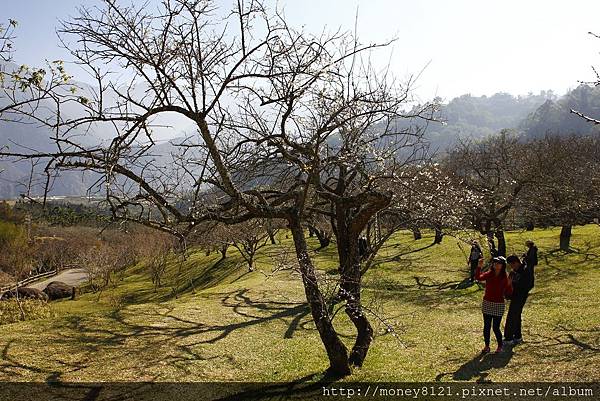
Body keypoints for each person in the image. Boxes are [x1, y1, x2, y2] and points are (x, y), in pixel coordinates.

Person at [474, 256, 512, 354]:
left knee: (496, 327)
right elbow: (478, 278)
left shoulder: (505, 277)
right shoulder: (489, 274)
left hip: (499, 304)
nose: (496, 264)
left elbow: (509, 292)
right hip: (487, 302)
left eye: (498, 263)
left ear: (503, 265)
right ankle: (486, 346)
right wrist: (479, 267)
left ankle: (500, 346)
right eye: (494, 262)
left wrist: (510, 285)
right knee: (486, 326)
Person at [504, 254, 534, 345]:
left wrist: (516, 288)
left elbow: (529, 285)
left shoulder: (526, 270)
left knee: (512, 316)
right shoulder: (515, 271)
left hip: (520, 296)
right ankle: (517, 336)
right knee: (516, 315)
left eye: (512, 264)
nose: (511, 267)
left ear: (516, 262)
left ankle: (508, 338)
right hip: (515, 296)